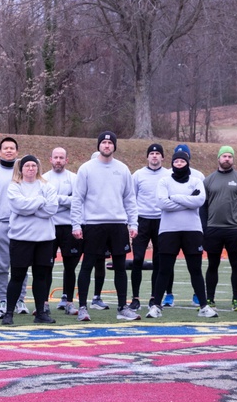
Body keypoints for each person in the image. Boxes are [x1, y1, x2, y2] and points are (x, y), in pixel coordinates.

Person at [69, 131, 140, 322]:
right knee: (88, 265)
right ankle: (83, 307)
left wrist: (133, 223)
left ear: (114, 146)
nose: (107, 145)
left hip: (118, 224)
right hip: (93, 224)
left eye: (110, 143)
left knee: (120, 267)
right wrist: (76, 224)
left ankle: (122, 308)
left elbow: (130, 199)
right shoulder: (86, 168)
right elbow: (77, 199)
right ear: (98, 145)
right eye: (104, 142)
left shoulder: (123, 169)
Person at [145, 149, 217, 318]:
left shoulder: (196, 180)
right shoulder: (164, 181)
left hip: (192, 230)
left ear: (187, 163)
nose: (179, 164)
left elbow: (199, 201)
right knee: (164, 269)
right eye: (176, 161)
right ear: (172, 163)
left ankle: (204, 306)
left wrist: (174, 197)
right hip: (168, 231)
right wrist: (187, 200)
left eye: (182, 162)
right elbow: (162, 203)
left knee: (195, 270)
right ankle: (156, 306)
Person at [2, 155, 57, 324]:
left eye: (34, 165)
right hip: (21, 238)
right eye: (27, 165)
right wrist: (39, 202)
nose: (31, 168)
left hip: (44, 239)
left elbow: (52, 208)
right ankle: (9, 313)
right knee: (17, 276)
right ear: (21, 168)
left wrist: (30, 208)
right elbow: (19, 206)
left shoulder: (47, 186)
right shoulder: (14, 187)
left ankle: (41, 313)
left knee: (41, 276)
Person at [202, 145, 237, 310]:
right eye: (224, 156)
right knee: (212, 265)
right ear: (219, 159)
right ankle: (210, 300)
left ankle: (236, 299)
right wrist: (204, 227)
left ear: (233, 159)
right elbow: (203, 207)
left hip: (233, 229)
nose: (227, 159)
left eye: (230, 156)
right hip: (213, 228)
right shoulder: (208, 180)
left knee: (235, 263)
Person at [0, 137, 28, 314]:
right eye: (6, 148)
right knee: (2, 266)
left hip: (22, 226)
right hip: (0, 225)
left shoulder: (25, 172)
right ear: (0, 152)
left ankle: (20, 300)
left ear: (17, 152)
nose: (9, 151)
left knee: (21, 265)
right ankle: (3, 299)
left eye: (12, 148)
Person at [44, 147, 81, 316]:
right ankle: (43, 302)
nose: (58, 160)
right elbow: (44, 202)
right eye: (55, 157)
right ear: (50, 159)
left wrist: (57, 199)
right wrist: (65, 201)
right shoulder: (43, 178)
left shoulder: (74, 178)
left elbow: (78, 201)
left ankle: (68, 302)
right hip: (48, 226)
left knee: (70, 266)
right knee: (46, 266)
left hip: (69, 226)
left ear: (67, 160)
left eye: (61, 158)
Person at [130, 143, 166, 310]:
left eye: (158, 153)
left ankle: (154, 297)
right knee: (137, 259)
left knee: (159, 261)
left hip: (162, 220)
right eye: (151, 153)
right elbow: (131, 198)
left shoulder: (168, 175)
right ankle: (135, 297)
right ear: (147, 157)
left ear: (162, 157)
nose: (154, 156)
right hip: (142, 220)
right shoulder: (138, 175)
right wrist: (132, 222)